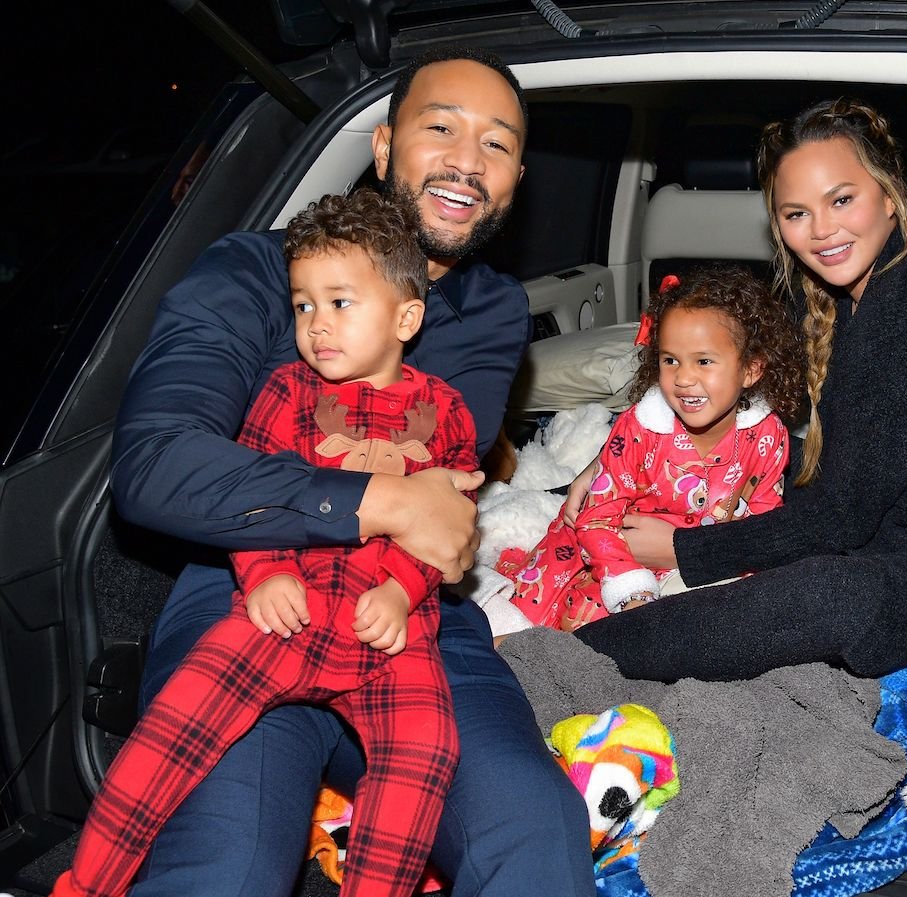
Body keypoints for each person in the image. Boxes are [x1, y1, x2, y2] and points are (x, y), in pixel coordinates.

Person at [108, 48, 594, 897]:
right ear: (382, 147)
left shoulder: (490, 310)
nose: (467, 163)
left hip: (410, 619)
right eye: (440, 128)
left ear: (516, 178)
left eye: (497, 145)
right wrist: (377, 497)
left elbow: (445, 510)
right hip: (254, 599)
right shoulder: (252, 274)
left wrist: (406, 515)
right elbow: (155, 462)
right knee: (227, 866)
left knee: (537, 837)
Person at [575, 98, 907, 682]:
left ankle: (567, 661)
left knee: (832, 595)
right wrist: (615, 464)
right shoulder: (848, 293)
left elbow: (842, 516)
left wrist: (683, 551)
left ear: (889, 197)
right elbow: (795, 443)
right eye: (796, 213)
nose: (822, 231)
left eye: (841, 199)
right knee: (767, 470)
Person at [55, 190, 473, 897]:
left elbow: (444, 525)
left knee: (426, 749)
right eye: (304, 306)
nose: (317, 326)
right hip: (287, 612)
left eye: (340, 303)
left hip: (387, 629)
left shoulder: (444, 412)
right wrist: (263, 574)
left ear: (406, 316)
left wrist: (403, 589)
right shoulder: (284, 393)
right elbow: (253, 491)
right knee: (172, 726)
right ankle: (86, 882)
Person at [499, 266, 803, 631]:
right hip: (610, 550)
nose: (684, 378)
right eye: (670, 360)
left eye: (704, 361)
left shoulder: (767, 436)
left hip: (699, 557)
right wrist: (630, 588)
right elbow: (596, 519)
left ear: (751, 370)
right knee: (558, 623)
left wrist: (745, 574)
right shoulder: (639, 430)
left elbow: (764, 519)